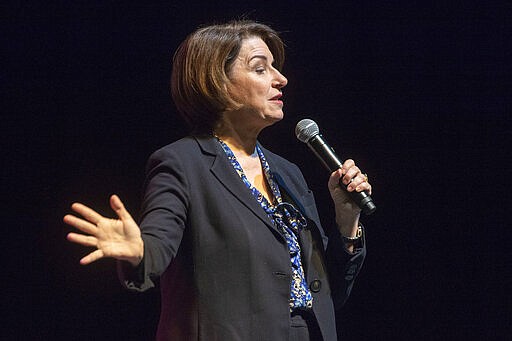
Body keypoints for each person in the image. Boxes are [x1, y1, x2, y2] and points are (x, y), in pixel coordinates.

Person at [64, 20, 371, 341]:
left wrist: (347, 219)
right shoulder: (182, 163)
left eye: (275, 68)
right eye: (260, 69)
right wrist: (138, 252)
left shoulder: (288, 173)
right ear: (218, 82)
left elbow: (328, 293)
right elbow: (157, 246)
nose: (281, 79)